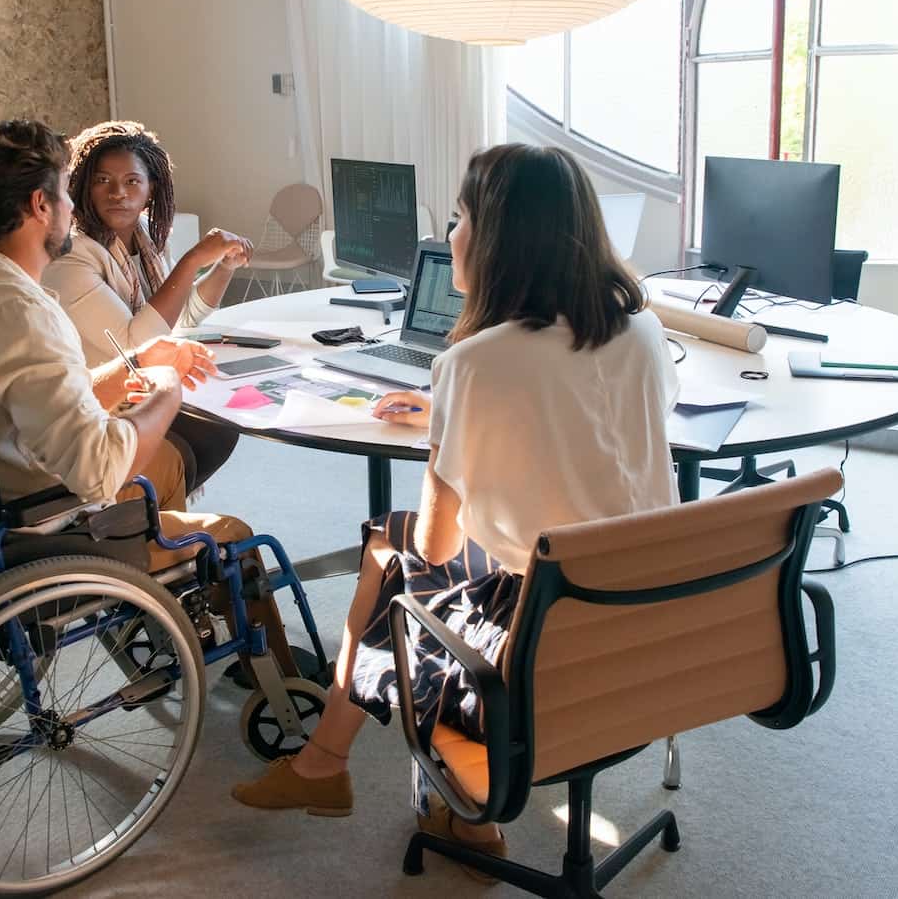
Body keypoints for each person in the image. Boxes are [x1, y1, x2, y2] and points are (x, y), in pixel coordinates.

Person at [230, 143, 680, 875]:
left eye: (460, 217)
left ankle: (331, 765)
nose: (449, 236)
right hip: (643, 607)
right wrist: (459, 418)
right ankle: (357, 775)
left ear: (501, 239)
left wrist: (454, 423)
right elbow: (596, 433)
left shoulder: (474, 364)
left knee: (393, 549)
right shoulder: (644, 331)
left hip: (539, 627)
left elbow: (438, 545)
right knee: (399, 546)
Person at [0, 118, 297, 669]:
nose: (75, 207)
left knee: (180, 452)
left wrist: (135, 362)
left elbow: (44, 395)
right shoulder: (23, 310)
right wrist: (162, 388)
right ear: (42, 205)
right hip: (48, 525)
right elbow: (96, 469)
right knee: (236, 535)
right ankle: (280, 691)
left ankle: (175, 620)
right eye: (70, 191)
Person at [43, 120, 250, 497]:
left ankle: (156, 514)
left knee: (221, 416)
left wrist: (223, 267)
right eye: (103, 180)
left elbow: (180, 317)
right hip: (99, 409)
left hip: (139, 391)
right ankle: (144, 515)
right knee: (204, 426)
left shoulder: (145, 241)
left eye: (132, 182)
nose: (118, 193)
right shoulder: (72, 257)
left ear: (151, 189)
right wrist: (193, 260)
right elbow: (138, 341)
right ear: (83, 185)